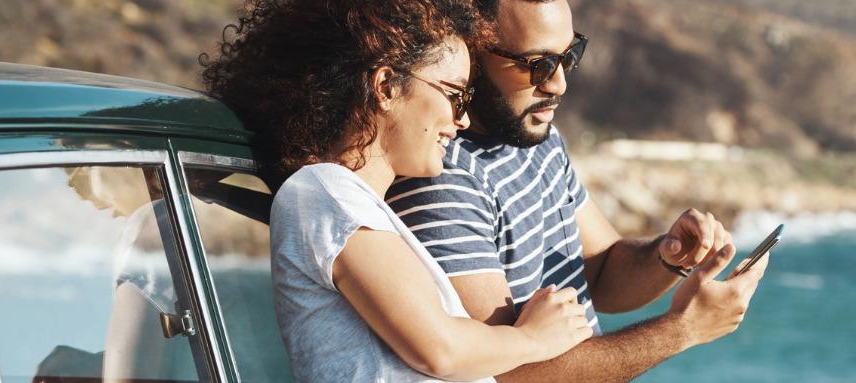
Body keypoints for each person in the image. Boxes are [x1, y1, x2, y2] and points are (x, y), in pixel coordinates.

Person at [201, 0, 592, 381]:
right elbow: (441, 351)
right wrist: (533, 339)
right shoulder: (326, 191)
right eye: (455, 95)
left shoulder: (346, 204)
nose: (463, 118)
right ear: (386, 87)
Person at [384, 0, 771, 381]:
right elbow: (509, 374)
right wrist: (684, 329)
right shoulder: (441, 178)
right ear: (473, 55)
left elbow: (602, 274)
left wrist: (667, 256)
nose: (559, 83)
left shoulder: (538, 138)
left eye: (569, 56)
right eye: (537, 65)